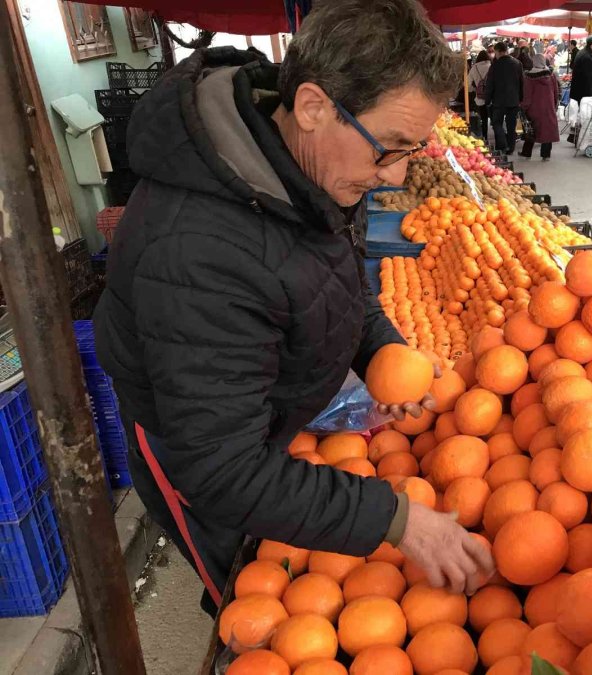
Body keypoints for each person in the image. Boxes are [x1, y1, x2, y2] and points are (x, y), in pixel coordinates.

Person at [94, 0, 494, 616]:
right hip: (204, 457)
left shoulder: (306, 168)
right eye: (390, 148)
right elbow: (222, 470)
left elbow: (336, 281)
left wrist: (381, 347)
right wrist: (398, 522)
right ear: (312, 108)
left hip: (268, 420)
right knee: (250, 594)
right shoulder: (198, 251)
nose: (396, 176)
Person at [485, 41, 524, 154]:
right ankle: (510, 148)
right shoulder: (517, 63)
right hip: (513, 100)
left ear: (497, 51)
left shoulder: (495, 65)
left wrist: (488, 99)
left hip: (498, 101)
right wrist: (521, 98)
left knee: (497, 123)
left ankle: (502, 145)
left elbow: (490, 84)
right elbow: (522, 83)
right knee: (511, 126)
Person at [520, 54, 560, 161]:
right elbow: (556, 92)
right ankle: (545, 155)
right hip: (548, 108)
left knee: (531, 130)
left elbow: (527, 96)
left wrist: (523, 108)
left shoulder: (529, 77)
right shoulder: (551, 76)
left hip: (534, 109)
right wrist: (555, 105)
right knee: (548, 130)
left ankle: (526, 153)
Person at [468, 50, 492, 141]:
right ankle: (499, 140)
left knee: (483, 118)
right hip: (492, 98)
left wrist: (474, 90)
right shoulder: (492, 66)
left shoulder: (474, 68)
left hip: (480, 98)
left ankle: (484, 137)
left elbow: (468, 84)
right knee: (496, 120)